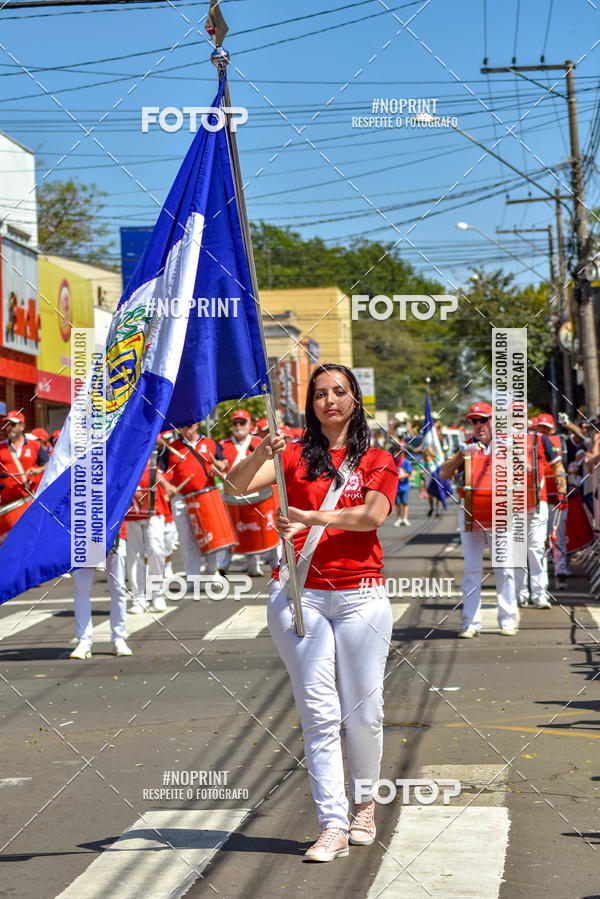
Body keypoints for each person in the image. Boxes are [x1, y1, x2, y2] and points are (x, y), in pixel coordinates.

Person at [225, 364, 399, 863]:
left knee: (364, 713)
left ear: (355, 399)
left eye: (339, 392)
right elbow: (236, 488)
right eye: (320, 394)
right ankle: (333, 823)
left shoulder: (378, 457)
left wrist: (309, 517)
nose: (329, 401)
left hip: (361, 596)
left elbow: (371, 516)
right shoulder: (295, 453)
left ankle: (365, 803)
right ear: (310, 402)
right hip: (298, 593)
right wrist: (261, 450)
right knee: (319, 714)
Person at [439, 402, 519, 637]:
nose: (479, 425)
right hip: (471, 509)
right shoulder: (466, 445)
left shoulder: (506, 443)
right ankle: (470, 623)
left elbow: (526, 471)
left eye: (483, 420)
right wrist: (461, 456)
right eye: (474, 421)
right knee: (472, 568)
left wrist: (511, 453)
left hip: (500, 510)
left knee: (504, 567)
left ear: (493, 420)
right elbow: (443, 473)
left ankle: (507, 618)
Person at [160, 423, 228, 590]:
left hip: (206, 495)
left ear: (196, 425)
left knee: (211, 536)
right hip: (182, 499)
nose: (185, 430)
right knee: (186, 538)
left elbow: (223, 462)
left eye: (188, 426)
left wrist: (221, 466)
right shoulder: (171, 448)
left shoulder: (210, 443)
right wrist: (168, 487)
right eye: (182, 427)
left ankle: (213, 573)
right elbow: (158, 471)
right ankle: (193, 577)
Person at [514, 415, 567, 608]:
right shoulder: (500, 441)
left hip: (538, 502)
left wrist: (562, 490)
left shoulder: (540, 439)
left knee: (536, 547)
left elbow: (557, 465)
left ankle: (539, 594)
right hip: (512, 506)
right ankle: (520, 593)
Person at [70, 525, 131, 659]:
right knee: (81, 589)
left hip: (115, 533)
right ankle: (84, 641)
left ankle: (119, 638)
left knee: (118, 588)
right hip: (83, 532)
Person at [219, 410, 264, 576]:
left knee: (253, 530)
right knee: (230, 530)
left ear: (249, 425)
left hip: (253, 492)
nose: (238, 426)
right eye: (235, 423)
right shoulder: (224, 445)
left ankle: (254, 565)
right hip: (231, 494)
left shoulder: (258, 441)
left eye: (242, 422)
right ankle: (223, 564)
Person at [0, 410, 49, 507]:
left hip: (28, 502)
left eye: (12, 424)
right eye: (7, 424)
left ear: (22, 426)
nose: (9, 428)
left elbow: (49, 464)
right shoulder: (1, 447)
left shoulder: (34, 446)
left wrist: (37, 470)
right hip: (6, 505)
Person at [393, 444, 412, 526]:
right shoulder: (392, 461)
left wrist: (400, 477)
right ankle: (399, 519)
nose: (396, 454)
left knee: (405, 503)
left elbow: (409, 473)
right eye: (395, 452)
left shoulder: (405, 462)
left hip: (404, 486)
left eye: (398, 453)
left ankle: (405, 518)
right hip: (395, 487)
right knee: (397, 504)